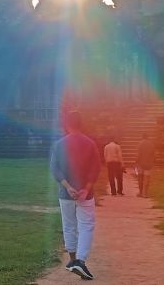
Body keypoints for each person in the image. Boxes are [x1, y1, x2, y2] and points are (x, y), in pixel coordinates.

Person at [50, 110, 101, 280]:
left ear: (67, 125)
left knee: (69, 225)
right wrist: (85, 188)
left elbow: (55, 169)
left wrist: (67, 186)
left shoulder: (58, 145)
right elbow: (95, 169)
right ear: (81, 123)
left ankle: (73, 261)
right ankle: (80, 260)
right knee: (86, 225)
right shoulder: (90, 144)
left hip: (66, 193)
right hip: (85, 194)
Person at [136, 133, 155, 198]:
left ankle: (140, 192)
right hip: (149, 164)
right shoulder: (151, 144)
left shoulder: (140, 144)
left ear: (142, 137)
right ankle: (145, 193)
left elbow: (138, 154)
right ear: (148, 137)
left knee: (140, 178)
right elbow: (153, 155)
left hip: (141, 164)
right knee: (147, 179)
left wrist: (136, 162)